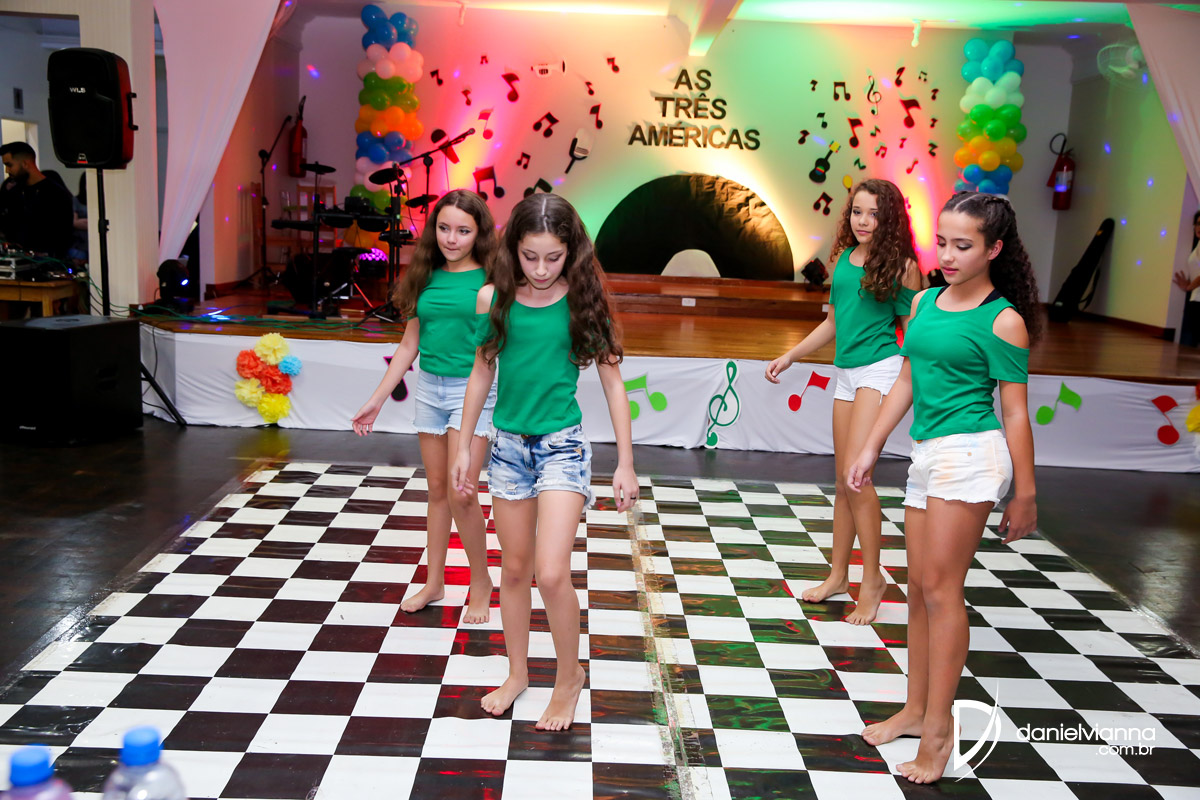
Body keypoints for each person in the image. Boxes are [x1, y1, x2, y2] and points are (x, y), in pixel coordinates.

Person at [847, 191, 1040, 784]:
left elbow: (1015, 413)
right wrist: (871, 445)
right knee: (918, 589)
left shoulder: (1003, 320)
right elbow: (908, 378)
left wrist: (1026, 493)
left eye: (964, 246)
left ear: (994, 249)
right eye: (943, 243)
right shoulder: (925, 302)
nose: (949, 256)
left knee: (940, 589)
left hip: (972, 455)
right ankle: (914, 709)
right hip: (927, 454)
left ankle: (939, 732)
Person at [451, 193, 638, 731]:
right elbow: (482, 371)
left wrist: (625, 463)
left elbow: (613, 383)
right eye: (530, 256)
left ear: (571, 252)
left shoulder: (582, 300)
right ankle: (517, 673)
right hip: (508, 448)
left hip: (562, 447)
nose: (540, 269)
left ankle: (568, 677)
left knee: (551, 572)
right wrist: (464, 445)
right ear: (513, 249)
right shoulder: (493, 298)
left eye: (552, 258)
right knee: (513, 569)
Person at [764, 179, 923, 625]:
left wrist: (916, 383)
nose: (863, 221)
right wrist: (791, 355)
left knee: (857, 479)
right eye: (857, 212)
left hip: (881, 370)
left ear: (890, 218)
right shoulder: (844, 261)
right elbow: (833, 323)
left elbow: (913, 331)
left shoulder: (904, 266)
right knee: (841, 480)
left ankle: (872, 581)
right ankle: (838, 575)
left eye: (874, 213)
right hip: (846, 374)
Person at [351, 190, 499, 624]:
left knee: (462, 493)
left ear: (479, 234)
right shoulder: (424, 276)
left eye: (463, 231)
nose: (452, 238)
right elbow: (408, 344)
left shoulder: (491, 282)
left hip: (472, 392)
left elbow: (487, 357)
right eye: (444, 228)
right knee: (437, 491)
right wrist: (376, 400)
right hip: (430, 391)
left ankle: (480, 582)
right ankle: (434, 582)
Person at [0, 142, 73, 259]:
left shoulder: (55, 193)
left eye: (9, 165)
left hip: (47, 262)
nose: (7, 170)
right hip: (18, 261)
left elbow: (63, 234)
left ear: (25, 163)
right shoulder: (14, 192)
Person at [1173, 209, 1200, 347]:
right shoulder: (1197, 246)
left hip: (1197, 300)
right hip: (1196, 299)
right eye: (1198, 223)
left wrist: (1188, 287)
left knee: (1188, 345)